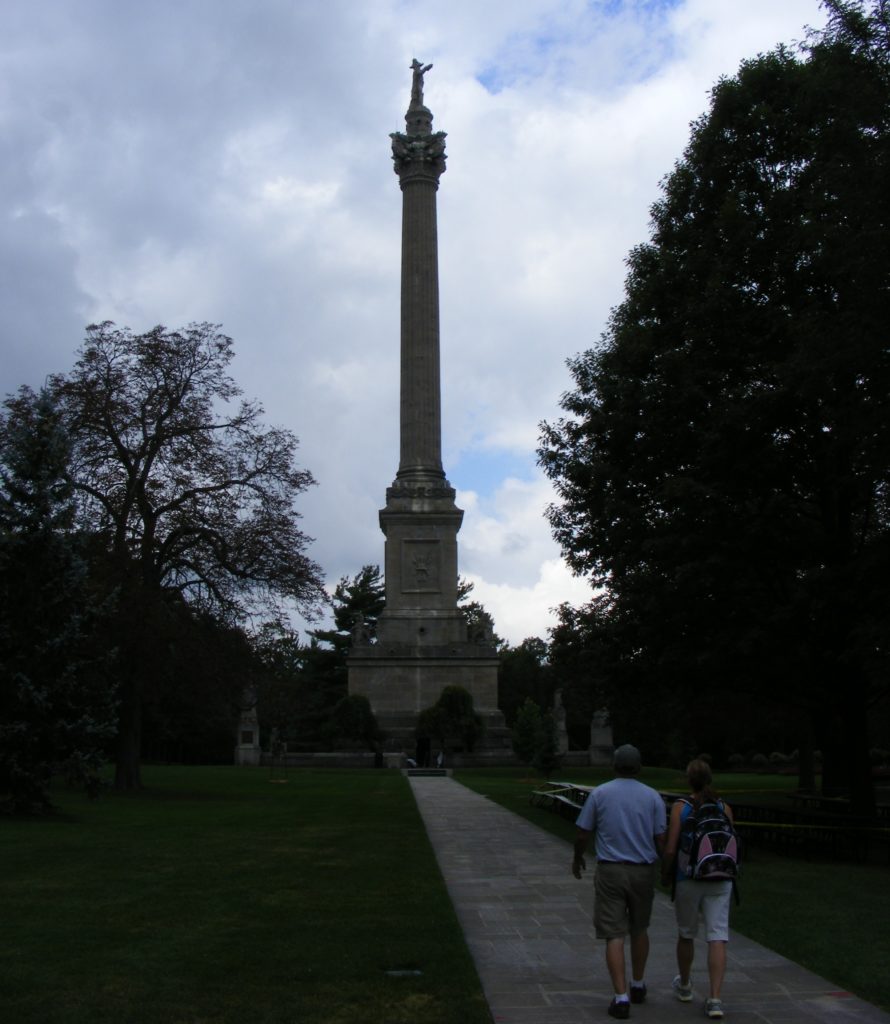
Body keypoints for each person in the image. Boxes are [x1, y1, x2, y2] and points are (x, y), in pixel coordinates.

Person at [572, 744, 667, 1020]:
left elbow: (582, 832)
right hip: (642, 870)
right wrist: (666, 869)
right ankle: (637, 983)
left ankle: (621, 996)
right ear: (639, 767)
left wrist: (577, 857)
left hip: (611, 869)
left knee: (614, 932)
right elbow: (660, 838)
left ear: (613, 765)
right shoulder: (652, 797)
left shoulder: (600, 793)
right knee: (640, 928)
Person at [661, 759, 734, 1020]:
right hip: (720, 877)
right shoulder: (724, 806)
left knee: (686, 933)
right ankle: (715, 998)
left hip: (688, 877)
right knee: (717, 935)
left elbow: (671, 848)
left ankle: (685, 985)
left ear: (688, 780)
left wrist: (666, 873)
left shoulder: (681, 807)